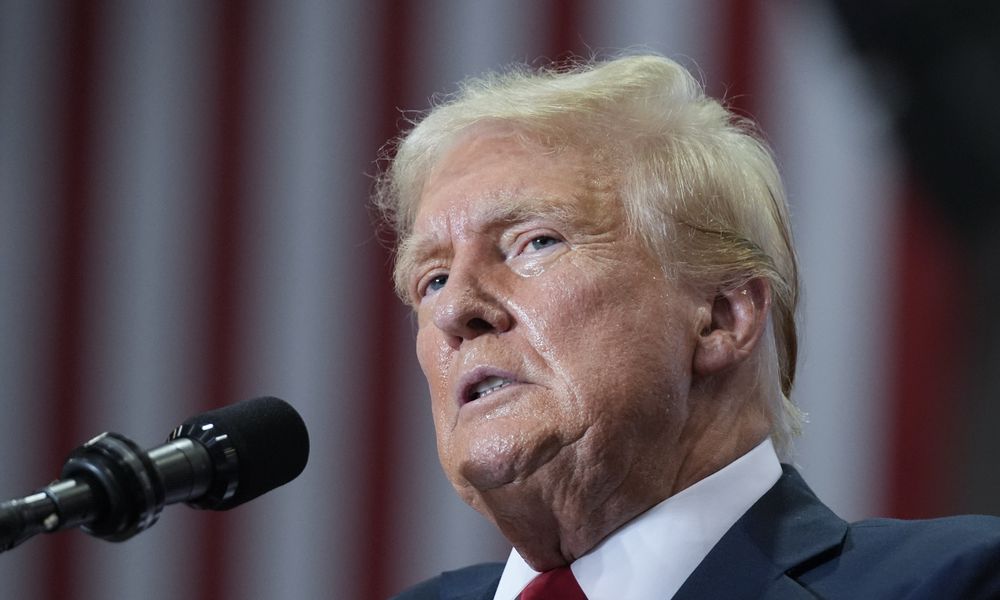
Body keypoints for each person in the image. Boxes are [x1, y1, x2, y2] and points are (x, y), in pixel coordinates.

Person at [374, 54, 1000, 599]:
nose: (455, 310)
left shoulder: (956, 582)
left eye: (533, 242)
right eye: (430, 279)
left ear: (723, 317)